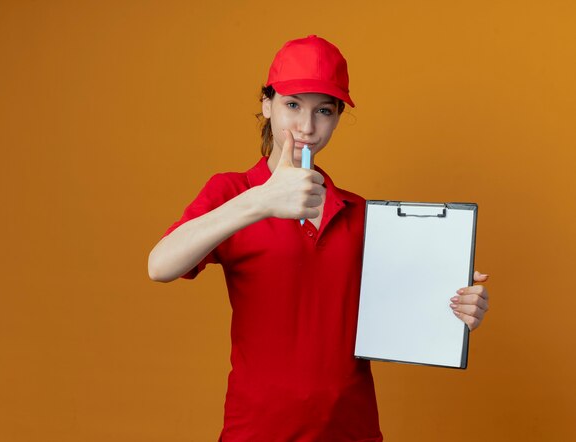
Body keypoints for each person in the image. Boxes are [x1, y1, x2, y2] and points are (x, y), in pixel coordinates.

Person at [148, 35, 489, 442]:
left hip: (351, 427)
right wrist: (262, 200)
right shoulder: (233, 193)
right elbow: (160, 265)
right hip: (257, 429)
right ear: (266, 104)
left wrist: (458, 306)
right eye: (293, 106)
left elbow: (406, 307)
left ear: (337, 117)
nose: (307, 128)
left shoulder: (362, 214)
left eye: (323, 111)